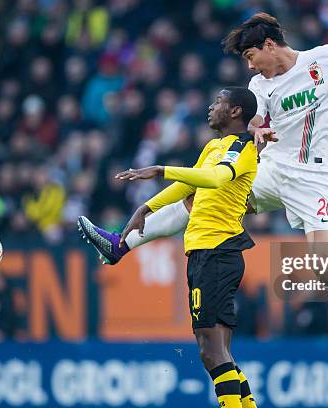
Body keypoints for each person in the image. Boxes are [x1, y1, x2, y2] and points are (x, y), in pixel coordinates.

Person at [80, 12, 328, 394]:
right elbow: (252, 123)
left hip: (316, 181)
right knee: (202, 196)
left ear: (269, 45)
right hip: (272, 170)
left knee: (325, 266)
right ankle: (121, 244)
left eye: (251, 55)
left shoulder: (327, 59)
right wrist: (256, 130)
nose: (249, 65)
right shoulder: (258, 85)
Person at [79, 87, 259, 408]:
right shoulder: (214, 146)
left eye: (218, 101)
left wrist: (160, 169)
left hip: (217, 252)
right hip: (207, 253)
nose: (211, 106)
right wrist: (145, 208)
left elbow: (217, 179)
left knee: (210, 350)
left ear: (235, 112)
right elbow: (190, 184)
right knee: (220, 352)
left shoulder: (243, 147)